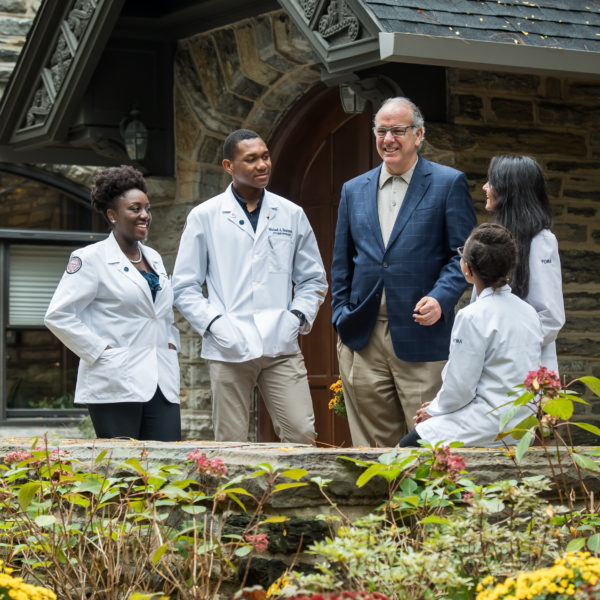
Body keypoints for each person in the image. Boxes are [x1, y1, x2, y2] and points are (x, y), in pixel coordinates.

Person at [331, 96, 477, 447]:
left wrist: (442, 298)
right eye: (381, 131)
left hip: (421, 336)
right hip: (363, 337)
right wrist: (340, 315)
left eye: (398, 130)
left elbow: (464, 255)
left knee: (427, 441)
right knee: (371, 448)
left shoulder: (447, 183)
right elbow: (341, 263)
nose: (388, 139)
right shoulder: (354, 190)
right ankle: (381, 504)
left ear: (418, 134)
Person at [172, 129, 327, 444]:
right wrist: (215, 324)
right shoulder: (205, 216)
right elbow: (184, 286)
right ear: (229, 166)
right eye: (251, 159)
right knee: (231, 442)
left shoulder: (291, 214)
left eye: (265, 156)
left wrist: (295, 318)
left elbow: (313, 278)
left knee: (301, 433)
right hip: (229, 345)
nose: (262, 165)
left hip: (280, 344)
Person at [44, 165, 181, 441]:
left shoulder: (154, 257)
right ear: (112, 215)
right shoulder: (90, 259)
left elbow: (161, 314)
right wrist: (100, 350)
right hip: (115, 380)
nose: (145, 215)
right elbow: (58, 315)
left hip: (161, 380)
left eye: (147, 208)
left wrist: (171, 343)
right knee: (123, 473)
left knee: (167, 469)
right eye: (135, 209)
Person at [398, 223, 543, 448]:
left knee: (404, 449)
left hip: (486, 424)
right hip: (523, 424)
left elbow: (460, 388)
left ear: (467, 269)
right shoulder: (529, 312)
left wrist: (433, 411)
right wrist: (438, 407)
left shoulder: (471, 316)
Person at [482, 155, 564, 371]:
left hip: (525, 371)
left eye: (491, 182)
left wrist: (501, 348)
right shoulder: (496, 239)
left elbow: (550, 318)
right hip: (493, 365)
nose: (485, 187)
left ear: (509, 190)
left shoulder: (541, 241)